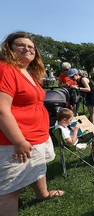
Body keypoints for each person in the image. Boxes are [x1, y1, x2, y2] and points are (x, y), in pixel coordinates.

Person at [0, 31, 64, 215]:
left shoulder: (27, 72)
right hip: (16, 140)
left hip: (37, 135)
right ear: (9, 48)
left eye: (31, 46)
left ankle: (42, 194)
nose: (27, 48)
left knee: (38, 167)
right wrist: (19, 141)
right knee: (10, 191)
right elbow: (2, 109)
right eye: (21, 45)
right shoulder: (5, 69)